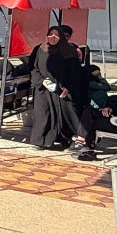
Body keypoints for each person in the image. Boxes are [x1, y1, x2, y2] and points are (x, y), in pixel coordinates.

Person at [27, 25, 97, 160]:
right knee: (43, 114)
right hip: (43, 89)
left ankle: (70, 139)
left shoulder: (68, 51)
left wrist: (68, 87)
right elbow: (33, 68)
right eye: (50, 34)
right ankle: (41, 141)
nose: (53, 37)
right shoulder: (39, 49)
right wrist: (42, 81)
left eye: (56, 35)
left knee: (66, 115)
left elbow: (75, 72)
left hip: (62, 89)